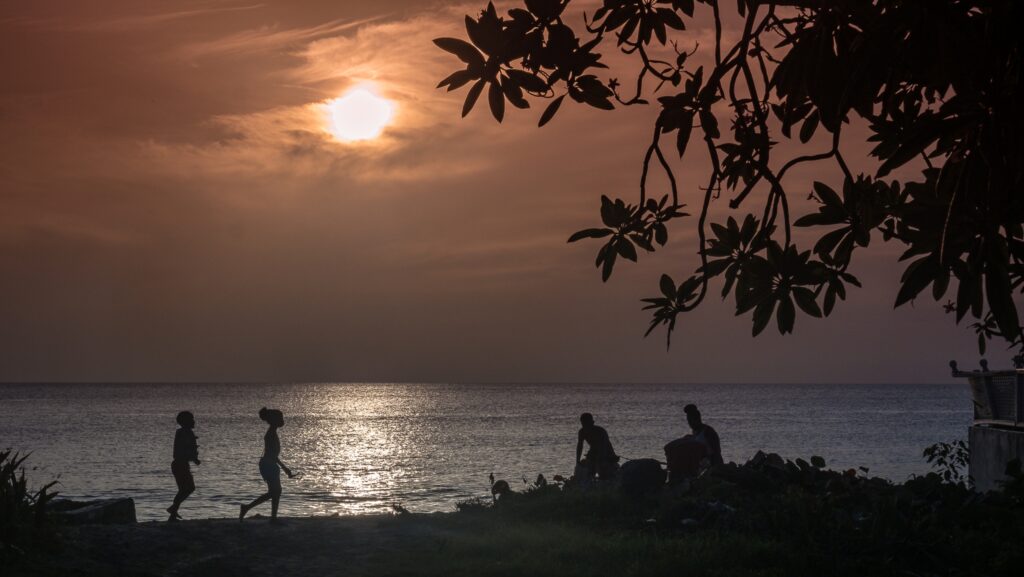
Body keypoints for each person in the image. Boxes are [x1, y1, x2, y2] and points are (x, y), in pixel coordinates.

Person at [240, 407, 295, 523]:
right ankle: (248, 508)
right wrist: (285, 468)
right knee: (275, 492)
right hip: (268, 465)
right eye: (280, 418)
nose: (282, 420)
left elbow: (273, 455)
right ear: (274, 420)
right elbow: (271, 455)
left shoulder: (272, 432)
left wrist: (284, 468)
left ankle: (272, 517)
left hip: (269, 464)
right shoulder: (270, 434)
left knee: (275, 491)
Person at [167, 411, 200, 522]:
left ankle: (173, 511)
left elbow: (184, 449)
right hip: (180, 464)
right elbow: (185, 449)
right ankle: (173, 510)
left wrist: (194, 458)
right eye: (191, 419)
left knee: (184, 489)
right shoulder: (187, 433)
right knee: (188, 488)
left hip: (180, 464)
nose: (194, 421)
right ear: (186, 422)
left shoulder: (181, 432)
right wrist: (194, 458)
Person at [575, 412, 620, 480]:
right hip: (593, 452)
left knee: (601, 467)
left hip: (607, 452)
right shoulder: (582, 432)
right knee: (586, 470)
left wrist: (600, 458)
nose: (584, 426)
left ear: (592, 422)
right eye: (583, 423)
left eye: (586, 423)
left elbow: (605, 446)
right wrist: (577, 460)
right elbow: (580, 446)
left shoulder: (600, 431)